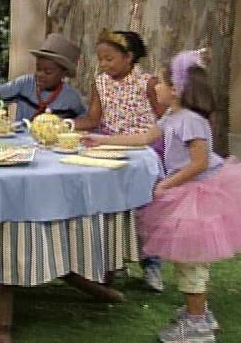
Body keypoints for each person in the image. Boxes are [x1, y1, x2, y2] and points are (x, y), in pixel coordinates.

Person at [82, 50, 241, 343]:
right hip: (185, 190)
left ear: (176, 90)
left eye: (161, 82)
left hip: (198, 194)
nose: (155, 86)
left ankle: (198, 323)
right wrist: (102, 140)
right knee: (187, 260)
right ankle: (198, 313)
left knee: (191, 260)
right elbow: (144, 138)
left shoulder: (190, 120)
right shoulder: (172, 116)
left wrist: (167, 184)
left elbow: (199, 163)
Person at [72, 28, 166, 291]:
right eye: (100, 59)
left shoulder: (147, 83)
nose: (104, 64)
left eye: (109, 59)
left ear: (129, 57)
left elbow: (164, 118)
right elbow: (93, 119)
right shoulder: (100, 83)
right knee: (112, 205)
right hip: (108, 146)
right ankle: (114, 262)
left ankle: (151, 264)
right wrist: (66, 124)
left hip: (143, 150)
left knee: (143, 208)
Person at [0, 33, 86, 122]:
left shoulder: (72, 98)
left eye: (48, 72)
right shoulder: (25, 84)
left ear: (63, 73)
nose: (40, 75)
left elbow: (85, 120)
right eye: (38, 69)